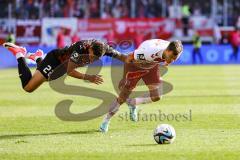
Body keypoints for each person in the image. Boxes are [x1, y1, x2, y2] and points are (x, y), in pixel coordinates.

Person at [99, 39, 183, 132]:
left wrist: (168, 61)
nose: (172, 61)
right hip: (135, 64)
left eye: (174, 59)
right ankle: (105, 121)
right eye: (171, 57)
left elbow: (171, 51)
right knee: (122, 98)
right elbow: (129, 57)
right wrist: (124, 78)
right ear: (167, 51)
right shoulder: (150, 53)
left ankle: (133, 103)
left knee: (157, 96)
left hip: (151, 65)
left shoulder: (172, 49)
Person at [2, 39, 129, 93]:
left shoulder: (105, 48)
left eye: (96, 58)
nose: (92, 59)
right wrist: (88, 77)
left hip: (61, 66)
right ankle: (19, 53)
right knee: (28, 88)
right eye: (91, 56)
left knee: (48, 78)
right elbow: (70, 71)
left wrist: (142, 59)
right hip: (55, 61)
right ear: (89, 48)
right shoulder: (80, 48)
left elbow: (124, 57)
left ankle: (38, 57)